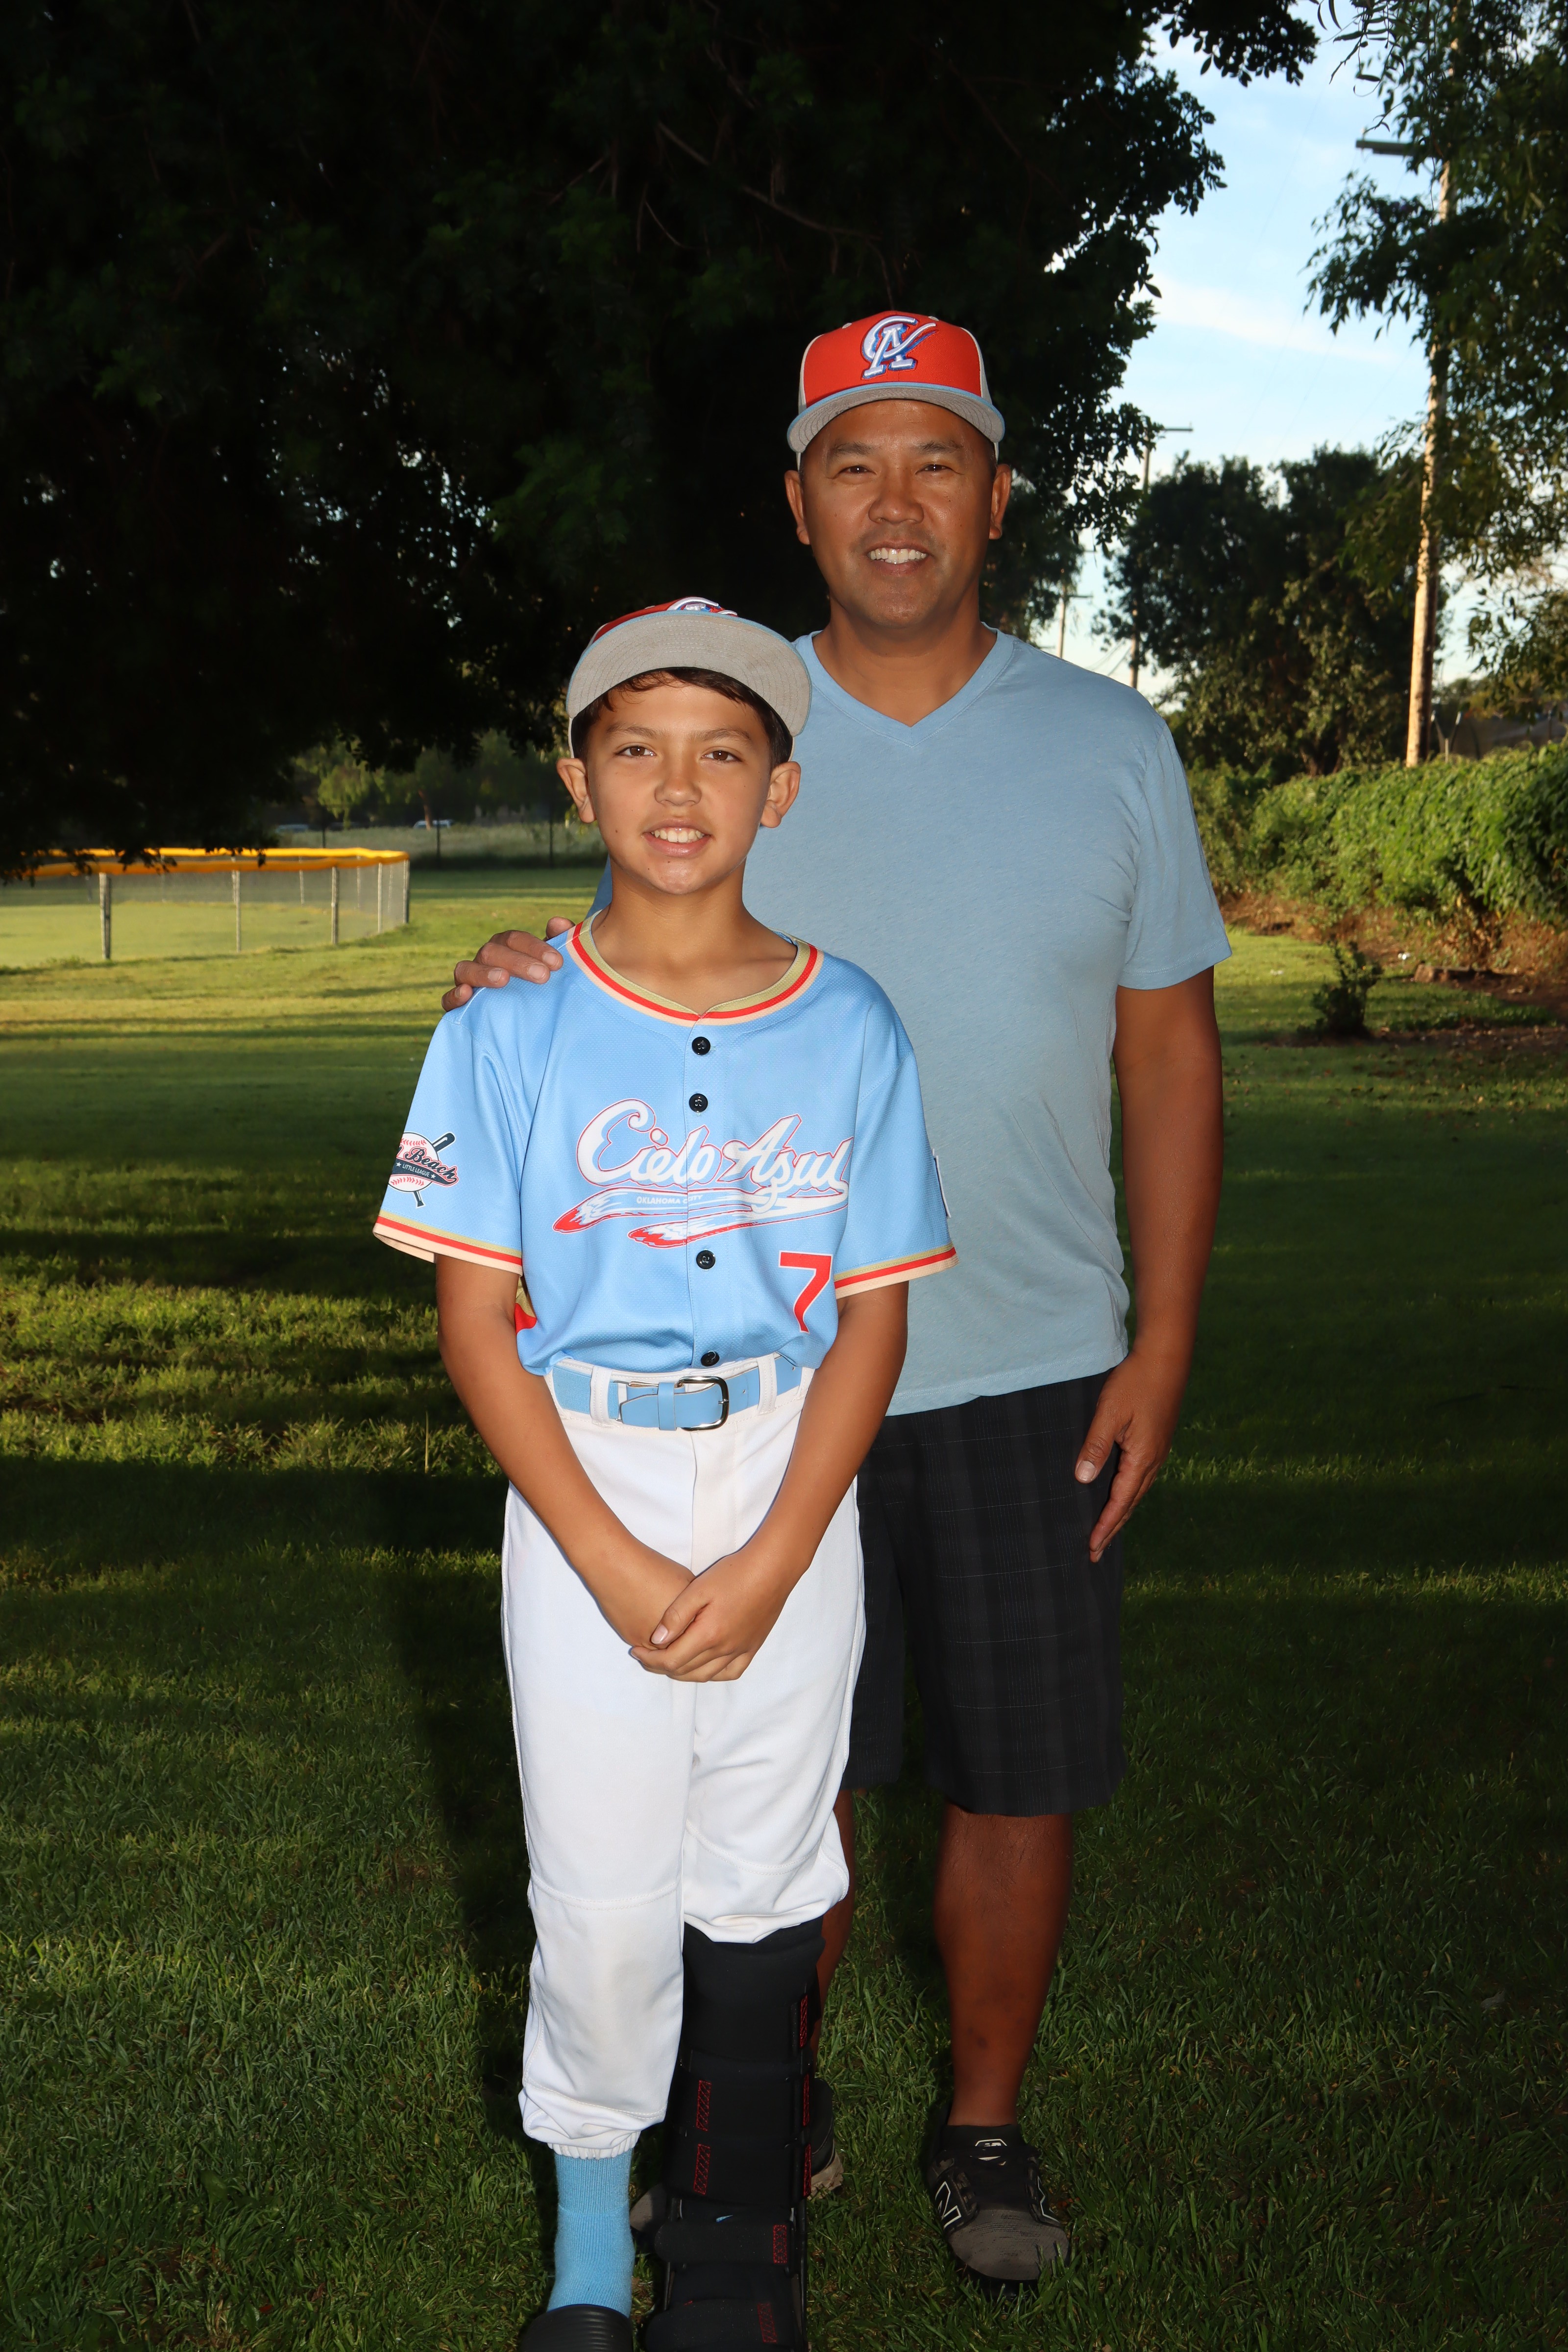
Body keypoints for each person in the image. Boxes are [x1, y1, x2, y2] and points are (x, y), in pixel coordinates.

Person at [442, 312, 1228, 2296]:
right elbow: (630, 922)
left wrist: (1159, 1340)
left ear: (997, 495)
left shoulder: (1110, 746)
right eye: (851, 463)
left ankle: (983, 2125)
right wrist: (512, 959)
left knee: (1014, 1769)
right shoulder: (729, 708)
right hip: (768, 1380)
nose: (895, 501)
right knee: (782, 1795)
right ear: (796, 502)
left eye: (935, 459)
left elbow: (1167, 1055)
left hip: (1027, 1353)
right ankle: (760, 2130)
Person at [378, 597, 954, 2350]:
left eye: (724, 750)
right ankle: (586, 2263)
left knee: (769, 1869)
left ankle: (734, 2243)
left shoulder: (850, 1021)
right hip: (586, 1472)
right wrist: (615, 1560)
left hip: (788, 1463)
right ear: (578, 779)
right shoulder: (508, 1020)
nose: (680, 787)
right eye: (636, 748)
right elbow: (477, 1325)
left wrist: (778, 1552)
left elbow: (873, 1321)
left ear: (782, 788)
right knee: (603, 1890)